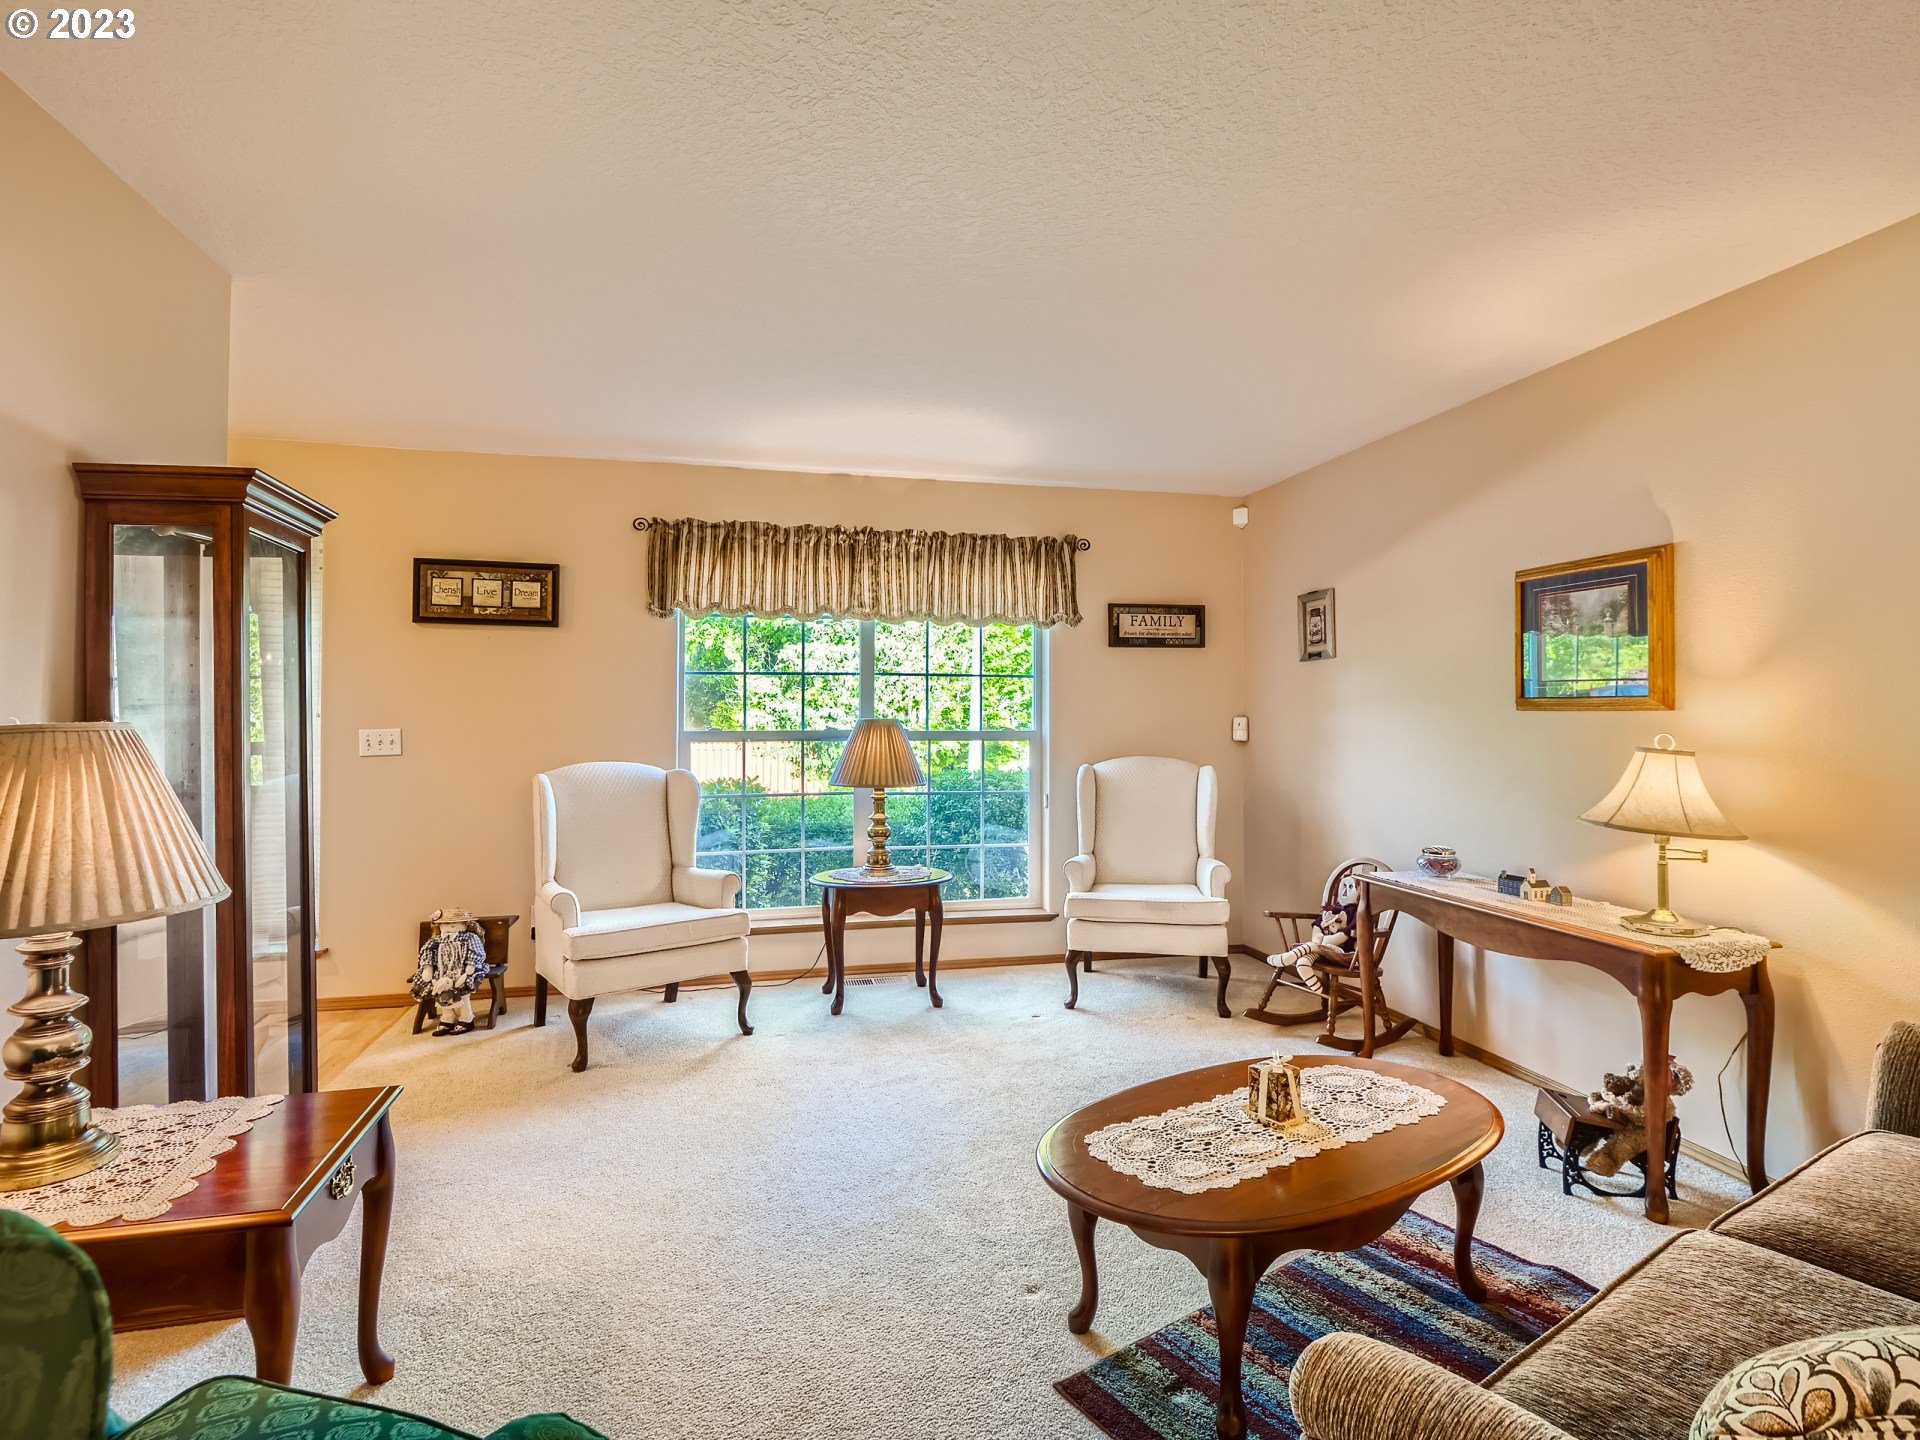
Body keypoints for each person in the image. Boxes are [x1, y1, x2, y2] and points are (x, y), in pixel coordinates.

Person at [410, 906, 489, 1035]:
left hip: (463, 971)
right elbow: (427, 951)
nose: (451, 927)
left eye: (455, 923)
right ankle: (447, 1019)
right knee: (440, 989)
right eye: (446, 924)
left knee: (463, 991)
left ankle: (466, 1018)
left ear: (465, 924)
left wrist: (471, 966)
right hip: (441, 971)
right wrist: (428, 967)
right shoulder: (436, 940)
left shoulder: (469, 938)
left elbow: (476, 951)